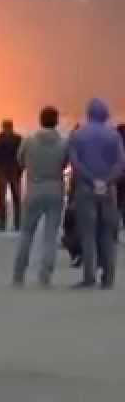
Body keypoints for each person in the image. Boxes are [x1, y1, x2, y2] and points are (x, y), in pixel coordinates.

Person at [67, 99, 124, 290]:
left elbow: (74, 162)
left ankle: (89, 276)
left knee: (88, 234)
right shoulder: (114, 135)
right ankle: (108, 278)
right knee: (108, 233)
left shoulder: (78, 135)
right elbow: (120, 163)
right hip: (109, 190)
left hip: (85, 188)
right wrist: (106, 181)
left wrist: (92, 180)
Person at [12, 107, 69, 288]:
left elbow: (19, 160)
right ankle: (45, 275)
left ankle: (19, 273)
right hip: (55, 189)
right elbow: (65, 163)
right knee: (50, 235)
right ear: (56, 121)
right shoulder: (63, 143)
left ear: (40, 119)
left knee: (27, 233)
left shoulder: (29, 141)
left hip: (34, 189)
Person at [0, 120, 24, 232]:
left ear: (3, 127)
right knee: (17, 198)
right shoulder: (19, 139)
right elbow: (24, 155)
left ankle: (2, 223)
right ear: (12, 127)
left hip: (1, 170)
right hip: (15, 171)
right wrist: (21, 167)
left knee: (1, 198)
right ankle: (18, 224)